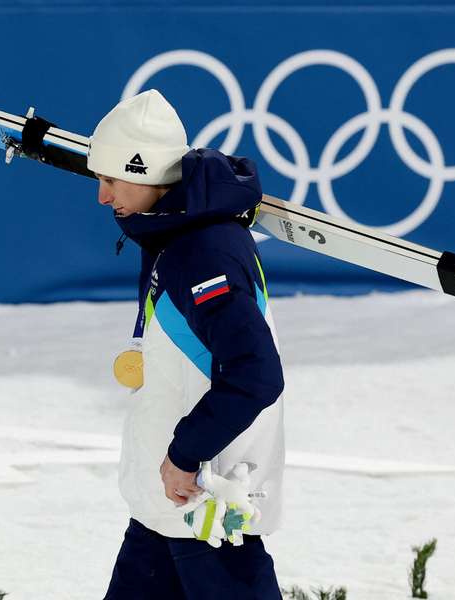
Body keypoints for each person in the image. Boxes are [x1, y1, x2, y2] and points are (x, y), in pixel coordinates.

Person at [88, 89, 286, 600]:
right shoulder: (175, 233)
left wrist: (185, 452)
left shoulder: (203, 254)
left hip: (207, 503)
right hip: (170, 504)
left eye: (110, 181)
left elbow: (254, 372)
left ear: (147, 172)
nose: (102, 198)